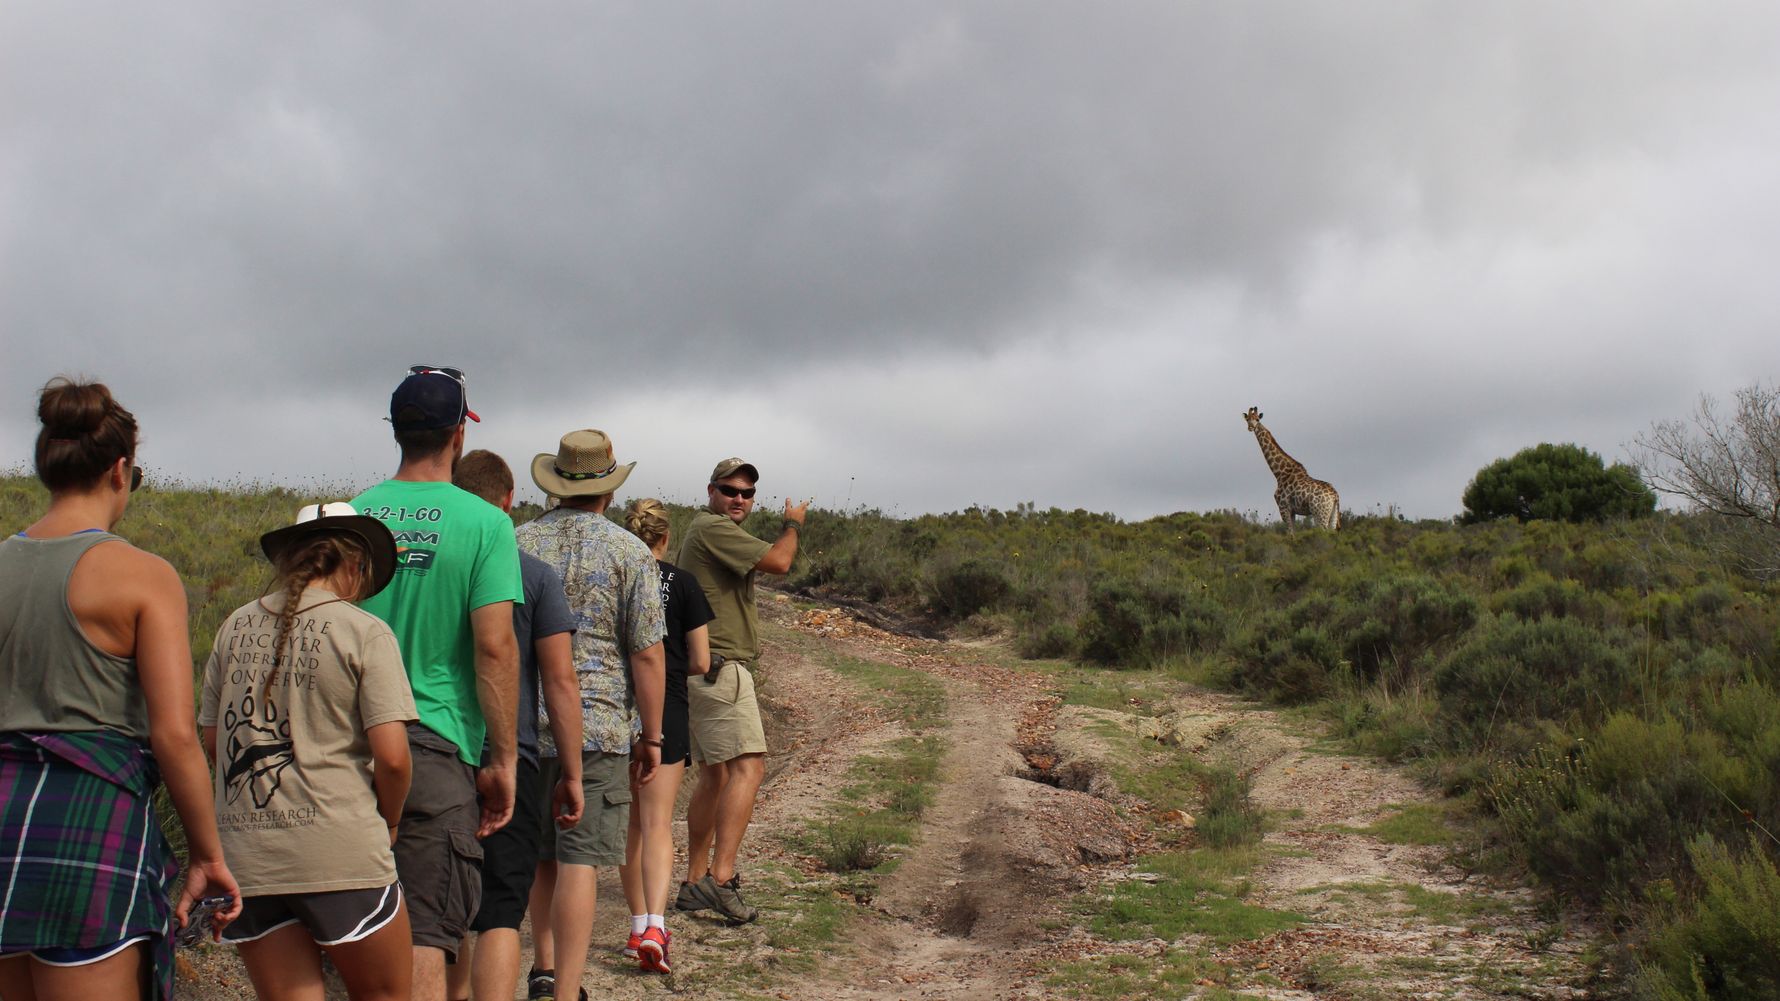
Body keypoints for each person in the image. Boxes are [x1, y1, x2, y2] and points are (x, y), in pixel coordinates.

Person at [0, 377, 242, 1001]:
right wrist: (207, 855)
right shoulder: (143, 576)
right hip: (89, 821)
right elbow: (174, 736)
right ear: (119, 470)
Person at [352, 366, 522, 1000]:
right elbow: (494, 645)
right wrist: (501, 757)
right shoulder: (486, 525)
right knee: (426, 926)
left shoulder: (355, 513)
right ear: (458, 433)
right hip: (433, 742)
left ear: (396, 430)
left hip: (343, 743)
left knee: (351, 925)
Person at [199, 503, 416, 1001]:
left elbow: (213, 740)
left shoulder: (234, 625)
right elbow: (394, 758)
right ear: (356, 564)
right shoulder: (363, 632)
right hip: (340, 851)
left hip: (250, 857)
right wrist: (392, 819)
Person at [514, 430, 665, 1001]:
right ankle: (568, 990)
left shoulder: (517, 542)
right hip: (599, 724)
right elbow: (647, 652)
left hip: (526, 722)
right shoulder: (629, 551)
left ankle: (544, 967)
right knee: (579, 859)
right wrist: (651, 736)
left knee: (538, 853)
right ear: (607, 488)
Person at [443, 451, 584, 1001]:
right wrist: (570, 773)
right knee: (501, 908)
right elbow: (560, 681)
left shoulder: (433, 569)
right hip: (513, 756)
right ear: (508, 502)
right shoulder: (534, 575)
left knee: (441, 909)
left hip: (438, 750)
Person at [675, 457, 807, 924]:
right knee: (749, 769)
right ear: (711, 490)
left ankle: (693, 882)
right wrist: (793, 524)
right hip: (721, 671)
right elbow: (780, 561)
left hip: (708, 670)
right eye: (730, 490)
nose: (739, 499)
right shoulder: (713, 528)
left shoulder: (706, 530)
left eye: (747, 493)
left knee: (715, 776)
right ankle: (721, 877)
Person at [617, 498, 714, 974]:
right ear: (665, 537)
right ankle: (657, 924)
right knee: (657, 826)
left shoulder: (614, 577)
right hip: (668, 711)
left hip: (617, 711)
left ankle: (636, 928)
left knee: (627, 829)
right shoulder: (684, 584)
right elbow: (700, 660)